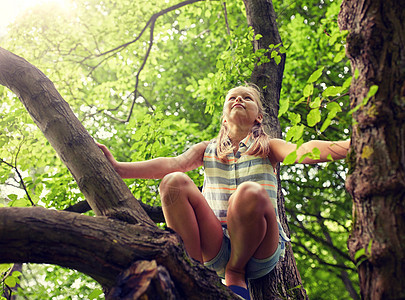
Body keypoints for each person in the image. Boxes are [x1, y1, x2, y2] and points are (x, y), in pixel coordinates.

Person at [97, 84, 350, 300]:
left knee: (247, 192)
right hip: (214, 244)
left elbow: (304, 150)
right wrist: (119, 169)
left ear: (258, 117)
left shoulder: (267, 146)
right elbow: (172, 164)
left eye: (246, 98)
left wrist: (351, 145)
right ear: (224, 118)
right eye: (233, 98)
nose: (239, 99)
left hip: (260, 247)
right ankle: (190, 269)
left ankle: (235, 271)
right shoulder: (208, 149)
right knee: (173, 181)